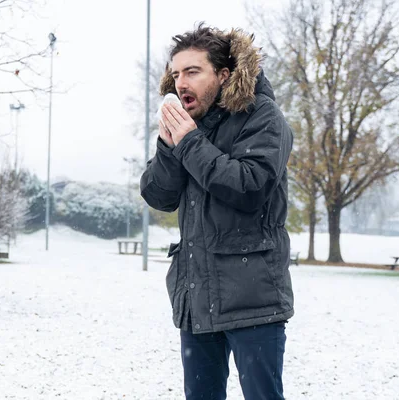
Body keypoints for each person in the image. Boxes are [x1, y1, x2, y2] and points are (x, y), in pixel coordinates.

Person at [140, 24, 294, 400]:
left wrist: (189, 142)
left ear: (224, 75)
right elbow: (159, 195)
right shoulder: (189, 129)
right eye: (176, 74)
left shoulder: (263, 117)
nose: (180, 83)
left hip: (252, 299)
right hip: (197, 298)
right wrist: (167, 144)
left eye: (193, 71)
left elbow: (249, 186)